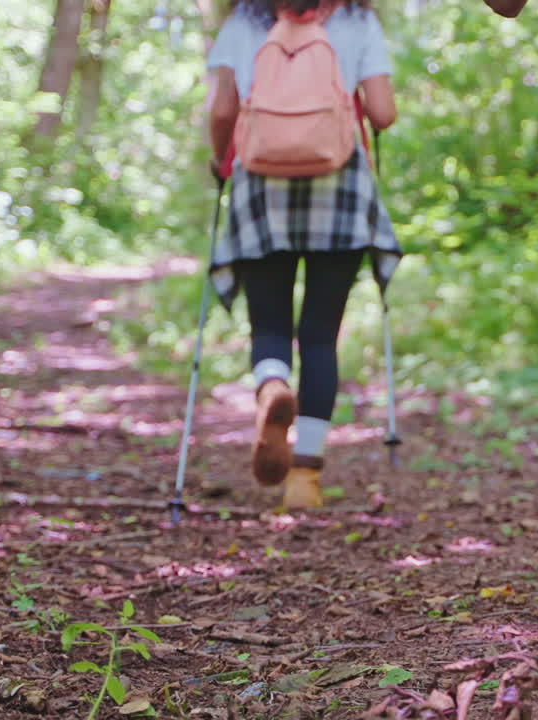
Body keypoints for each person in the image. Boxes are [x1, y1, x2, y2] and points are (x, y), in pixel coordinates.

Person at [206, 0, 399, 510]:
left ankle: (272, 386)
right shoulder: (357, 19)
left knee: (268, 323)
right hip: (340, 184)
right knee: (319, 334)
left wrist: (218, 160)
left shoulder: (245, 19)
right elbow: (383, 112)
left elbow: (223, 110)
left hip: (259, 184)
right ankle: (304, 478)